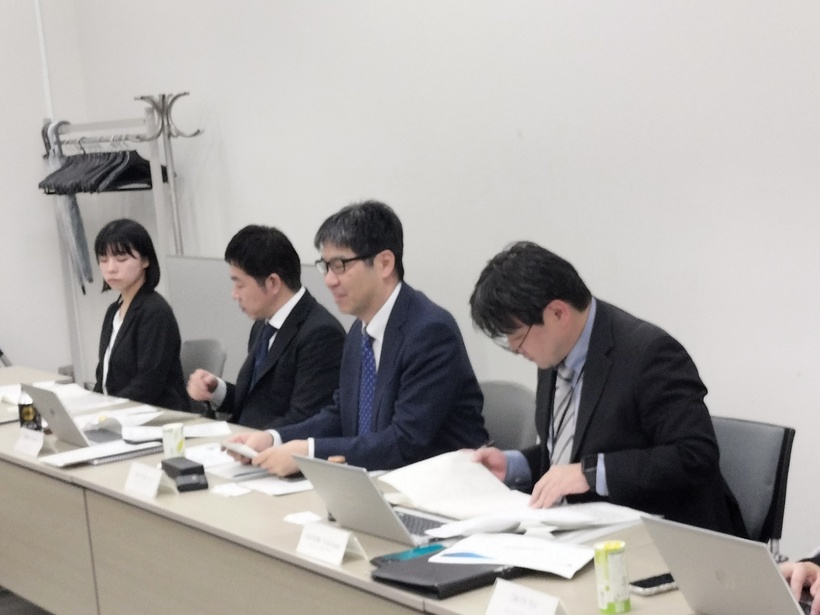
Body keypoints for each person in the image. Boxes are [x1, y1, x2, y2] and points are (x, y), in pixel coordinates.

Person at [468, 241, 746, 537]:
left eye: (517, 337)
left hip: (664, 537)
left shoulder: (649, 353)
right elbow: (574, 453)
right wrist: (515, 465)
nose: (515, 349)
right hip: (578, 533)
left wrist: (591, 473)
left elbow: (695, 455)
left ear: (558, 313)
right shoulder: (554, 353)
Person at [229, 200, 487, 474]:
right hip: (378, 478)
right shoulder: (359, 332)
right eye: (326, 266)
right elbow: (341, 415)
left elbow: (404, 442)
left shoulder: (430, 332)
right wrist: (275, 438)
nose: (329, 280)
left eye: (340, 265)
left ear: (384, 263)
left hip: (438, 483)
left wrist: (310, 452)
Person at [187, 225, 345, 429]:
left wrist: (246, 440)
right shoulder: (263, 325)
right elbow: (258, 403)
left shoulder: (321, 334)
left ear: (272, 283)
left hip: (275, 446)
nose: (234, 294)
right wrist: (218, 391)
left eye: (240, 284)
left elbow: (305, 420)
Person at [93, 219, 189, 411]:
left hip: (156, 414)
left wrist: (108, 410)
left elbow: (148, 383)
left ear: (145, 260)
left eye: (121, 259)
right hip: (121, 412)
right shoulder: (113, 311)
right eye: (103, 260)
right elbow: (104, 375)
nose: (110, 268)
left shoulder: (155, 311)